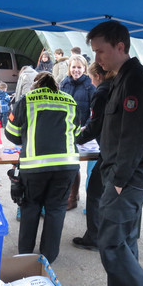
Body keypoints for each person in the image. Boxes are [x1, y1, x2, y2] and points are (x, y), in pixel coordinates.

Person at [83, 20, 143, 286]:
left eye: (101, 51)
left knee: (111, 241)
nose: (97, 59)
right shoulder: (122, 78)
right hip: (122, 174)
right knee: (125, 239)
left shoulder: (134, 80)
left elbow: (135, 135)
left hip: (127, 178)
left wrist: (118, 181)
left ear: (120, 46)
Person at [5, 72, 80, 264]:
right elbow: (76, 132)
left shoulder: (27, 100)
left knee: (30, 208)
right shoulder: (70, 100)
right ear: (56, 85)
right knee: (56, 209)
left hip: (34, 167)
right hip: (66, 166)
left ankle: (25, 255)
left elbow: (12, 134)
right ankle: (48, 257)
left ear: (35, 85)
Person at [72, 62, 114, 251]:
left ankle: (94, 237)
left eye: (91, 77)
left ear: (97, 76)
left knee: (95, 193)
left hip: (110, 151)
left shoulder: (102, 92)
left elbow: (95, 124)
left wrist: (77, 138)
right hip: (117, 149)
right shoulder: (116, 87)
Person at [60, 54, 96, 210]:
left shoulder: (90, 85)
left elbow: (94, 110)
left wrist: (87, 127)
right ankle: (73, 197)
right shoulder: (64, 83)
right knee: (72, 165)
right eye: (73, 67)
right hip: (68, 132)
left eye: (79, 67)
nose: (76, 70)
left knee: (92, 169)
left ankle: (92, 204)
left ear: (84, 69)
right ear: (69, 68)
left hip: (87, 132)